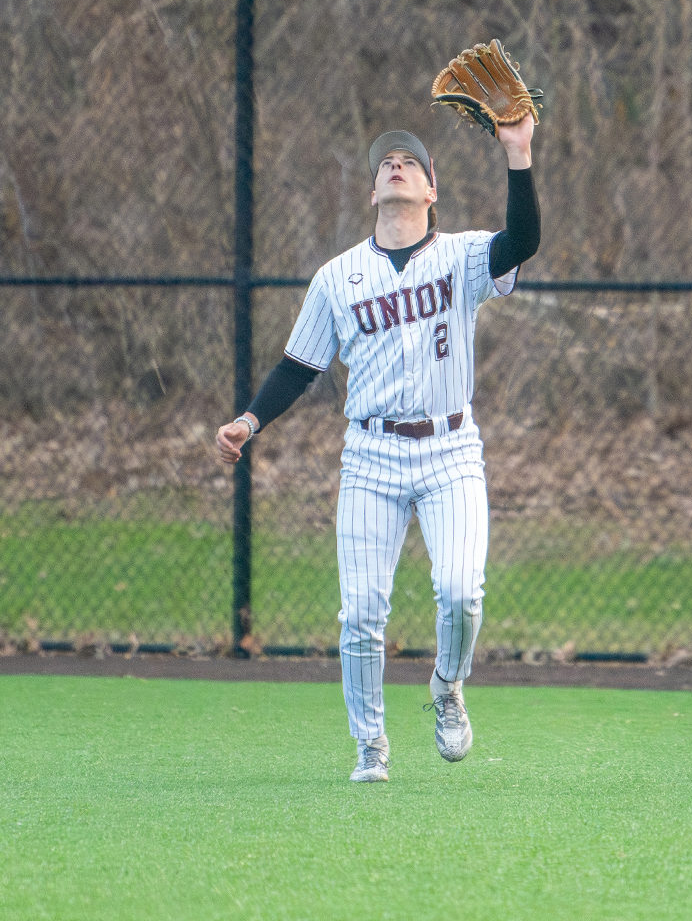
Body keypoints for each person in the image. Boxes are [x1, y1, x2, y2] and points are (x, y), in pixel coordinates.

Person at [214, 117, 539, 782]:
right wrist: (250, 420)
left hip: (451, 448)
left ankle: (447, 686)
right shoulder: (338, 279)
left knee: (460, 591)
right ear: (372, 195)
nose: (395, 165)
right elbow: (298, 367)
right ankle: (371, 747)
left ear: (430, 192)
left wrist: (518, 154)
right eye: (385, 163)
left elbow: (524, 240)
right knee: (361, 613)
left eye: (409, 162)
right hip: (370, 455)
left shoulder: (463, 256)